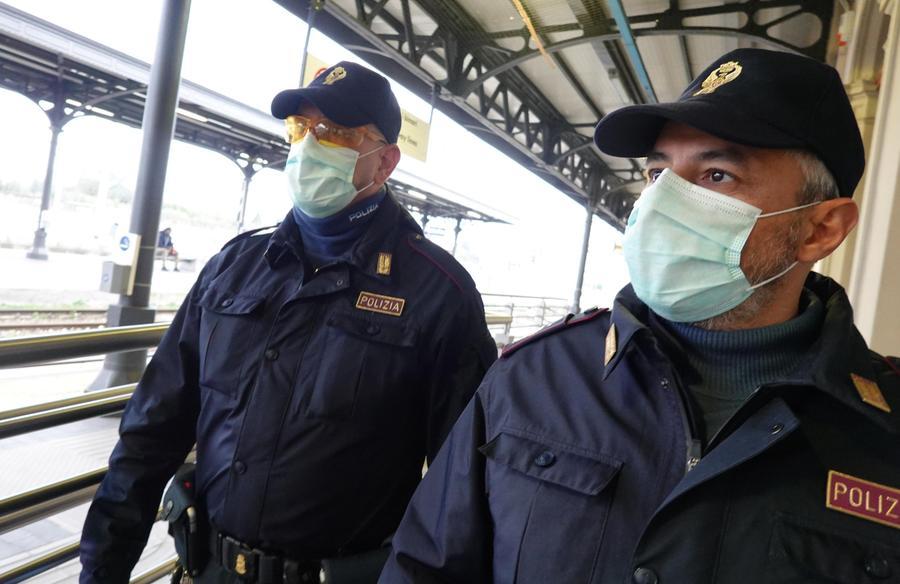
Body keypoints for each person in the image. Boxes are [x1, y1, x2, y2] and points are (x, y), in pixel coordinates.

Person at [380, 48, 900, 583]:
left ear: (822, 230)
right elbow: (424, 567)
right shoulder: (533, 378)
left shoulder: (884, 434)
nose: (660, 205)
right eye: (657, 173)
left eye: (717, 175)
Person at [79, 61, 498, 584]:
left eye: (336, 133)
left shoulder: (439, 295)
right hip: (207, 569)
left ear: (385, 161)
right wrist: (103, 569)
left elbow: (464, 487)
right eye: (300, 129)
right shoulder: (233, 268)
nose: (308, 146)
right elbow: (151, 430)